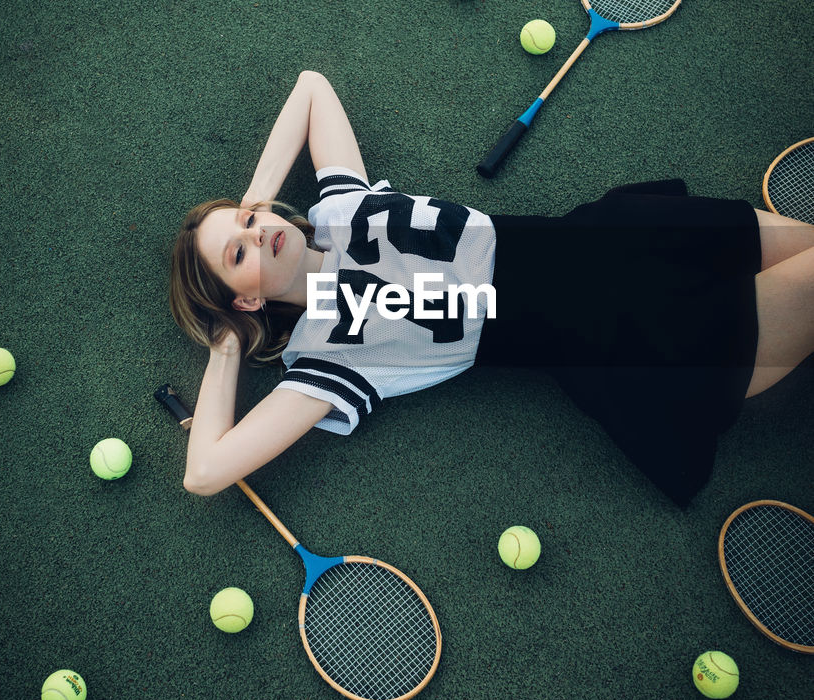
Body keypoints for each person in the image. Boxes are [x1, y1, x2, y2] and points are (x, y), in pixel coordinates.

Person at [169, 70, 814, 505]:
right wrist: (227, 344)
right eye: (238, 252)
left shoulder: (342, 207)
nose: (258, 234)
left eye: (253, 224)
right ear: (246, 297)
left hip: (624, 239)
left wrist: (255, 200)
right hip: (634, 332)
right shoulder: (325, 359)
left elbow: (312, 88)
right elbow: (205, 472)